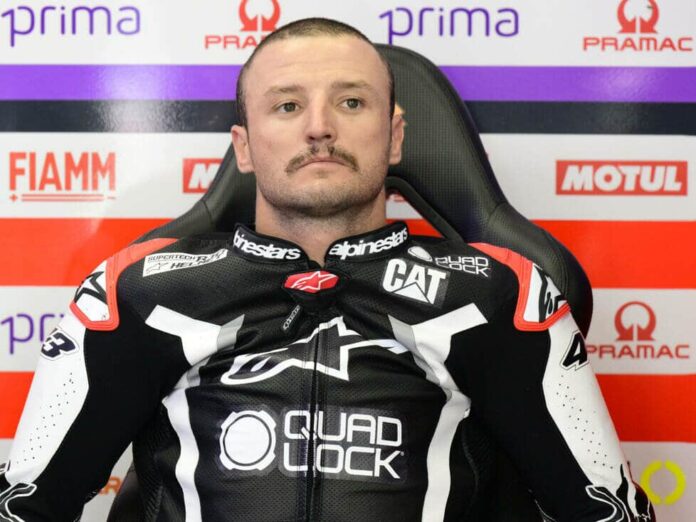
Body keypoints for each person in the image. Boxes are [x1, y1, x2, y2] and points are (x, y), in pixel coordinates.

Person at [0, 18, 654, 522]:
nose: (319, 128)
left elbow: (609, 512)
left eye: (351, 103)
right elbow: (23, 505)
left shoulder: (500, 295)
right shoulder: (140, 293)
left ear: (395, 137)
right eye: (287, 106)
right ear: (244, 146)